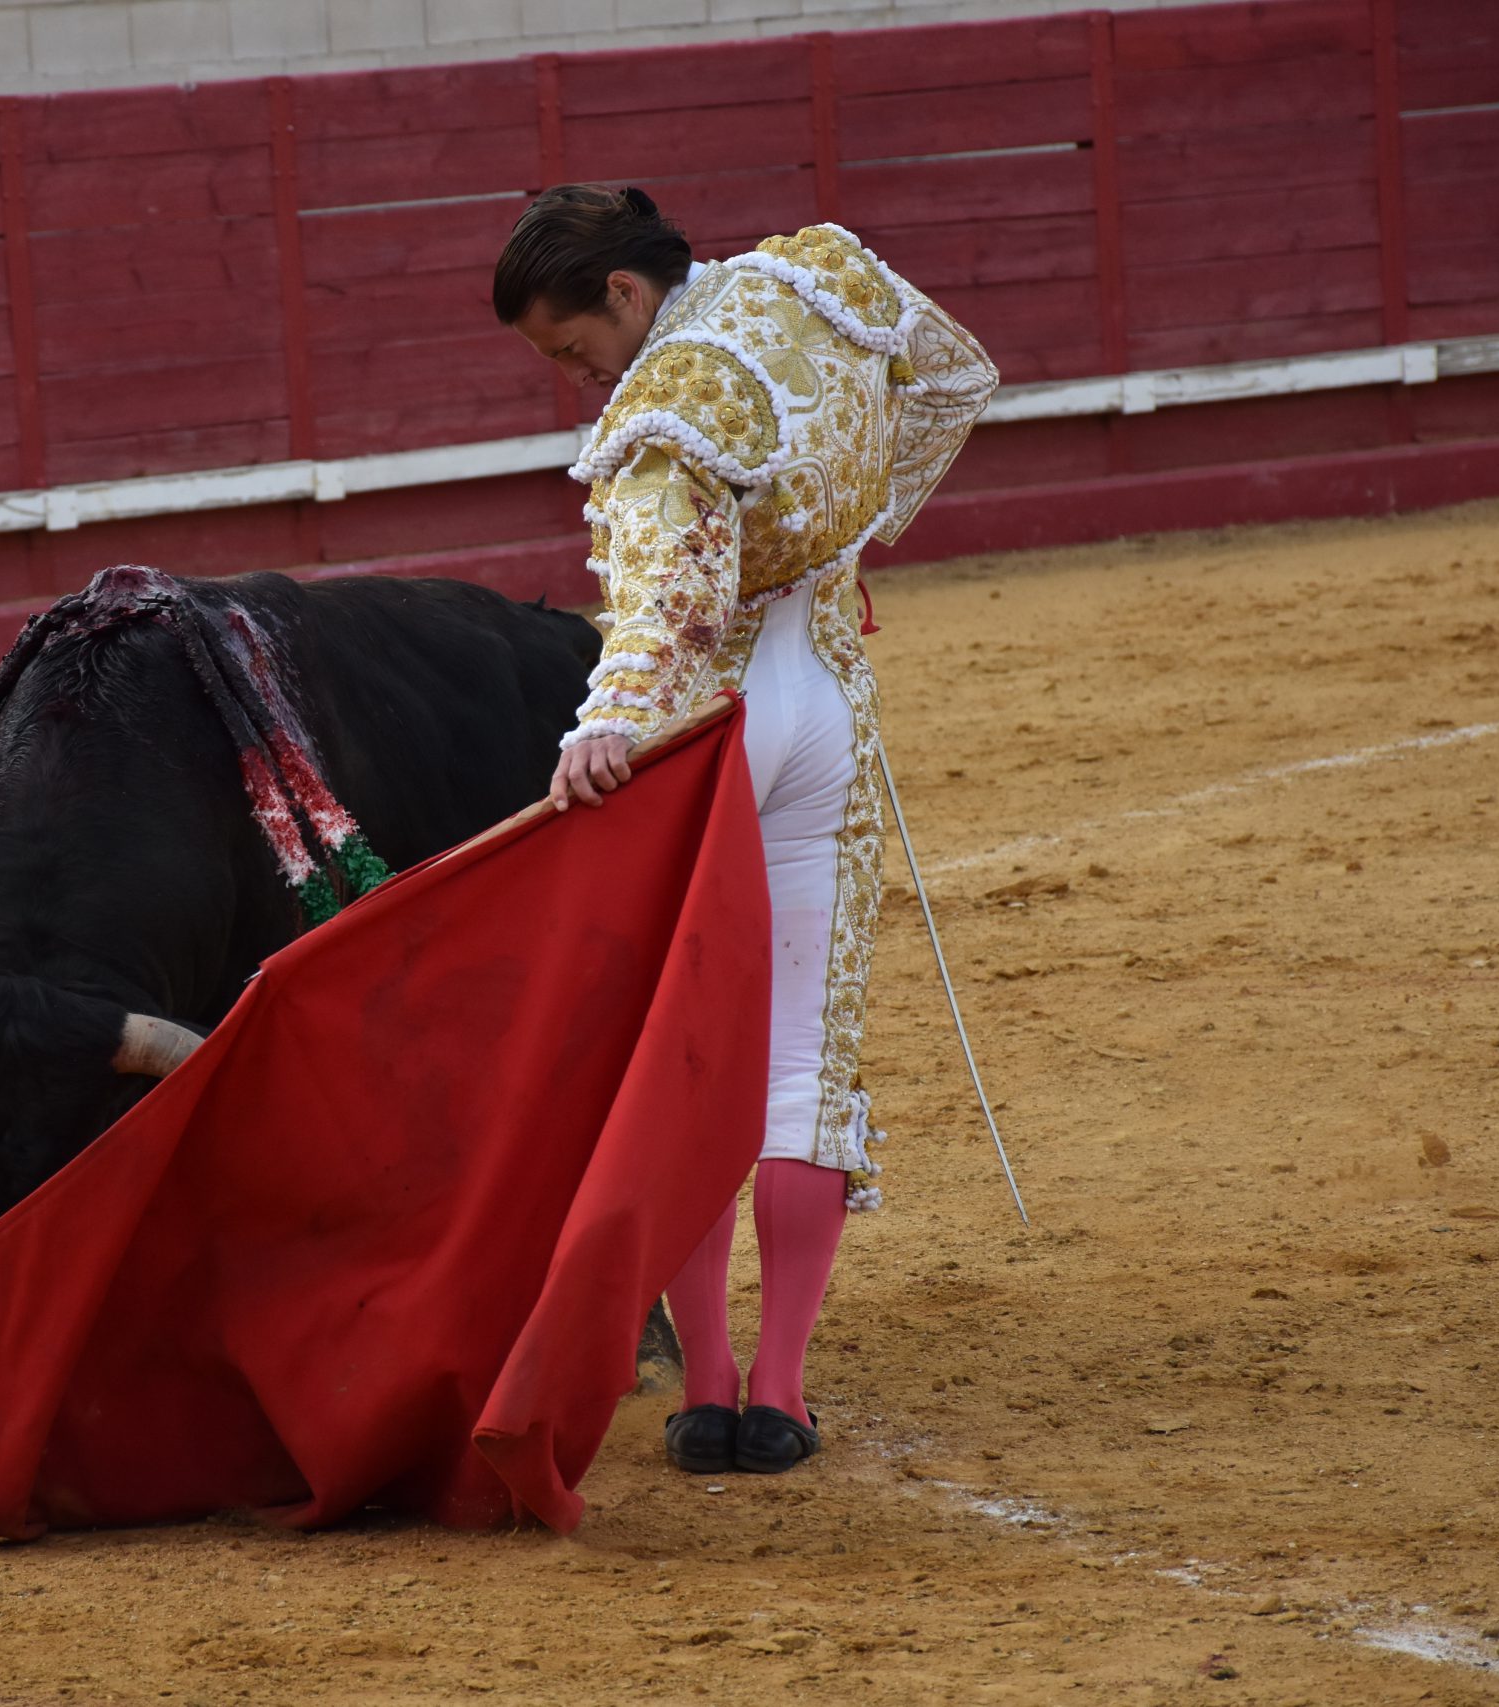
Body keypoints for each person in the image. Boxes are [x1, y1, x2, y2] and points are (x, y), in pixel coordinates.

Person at [493, 184, 997, 1476]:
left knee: (690, 1050)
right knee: (801, 1060)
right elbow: (951, 381)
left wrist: (602, 724)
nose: (574, 379)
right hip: (827, 701)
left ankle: (701, 1382)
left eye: (570, 347)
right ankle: (779, 1393)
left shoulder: (665, 408)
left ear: (623, 292)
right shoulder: (816, 280)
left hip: (712, 728)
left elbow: (668, 602)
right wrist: (844, 543)